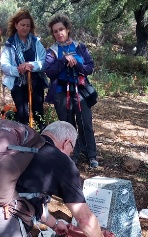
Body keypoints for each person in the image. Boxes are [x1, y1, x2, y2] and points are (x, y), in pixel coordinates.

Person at [44, 14, 99, 168]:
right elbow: (49, 72)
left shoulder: (79, 47)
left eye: (61, 29)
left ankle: (91, 155)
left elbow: (90, 67)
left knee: (85, 123)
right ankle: (71, 156)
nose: (59, 33)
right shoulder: (52, 51)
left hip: (80, 91)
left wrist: (77, 65)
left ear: (67, 29)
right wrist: (63, 60)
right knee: (67, 125)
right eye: (55, 31)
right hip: (61, 93)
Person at [0, 9, 47, 129]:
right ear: (16, 25)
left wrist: (29, 65)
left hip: (35, 82)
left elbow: (44, 61)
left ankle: (43, 138)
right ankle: (23, 139)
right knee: (22, 114)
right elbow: (4, 65)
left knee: (38, 112)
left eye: (28, 25)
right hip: (18, 83)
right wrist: (18, 69)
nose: (25, 28)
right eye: (22, 25)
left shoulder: (36, 43)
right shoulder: (10, 44)